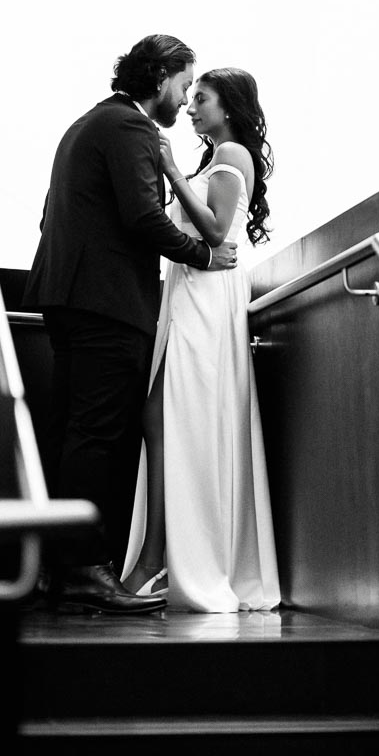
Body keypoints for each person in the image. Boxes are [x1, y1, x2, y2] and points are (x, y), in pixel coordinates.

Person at [23, 35, 240, 615]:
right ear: (162, 76)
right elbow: (142, 215)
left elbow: (49, 216)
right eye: (184, 84)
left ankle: (56, 570)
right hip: (108, 303)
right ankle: (86, 570)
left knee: (72, 433)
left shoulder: (87, 125)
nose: (184, 99)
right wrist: (203, 255)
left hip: (68, 297)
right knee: (101, 436)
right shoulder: (131, 128)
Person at [121, 67, 281, 612]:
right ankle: (161, 555)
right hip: (189, 293)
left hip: (209, 297)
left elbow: (214, 230)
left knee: (166, 417)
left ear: (228, 106)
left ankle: (160, 559)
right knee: (166, 419)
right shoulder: (219, 157)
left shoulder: (231, 154)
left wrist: (169, 168)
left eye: (202, 98)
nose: (190, 107)